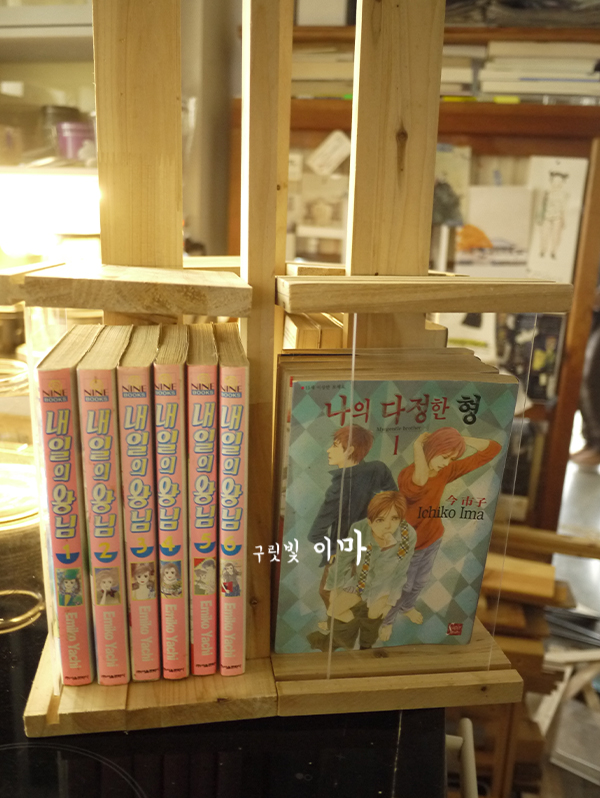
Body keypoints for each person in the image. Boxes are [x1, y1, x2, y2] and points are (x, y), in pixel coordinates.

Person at [390, 427, 502, 625]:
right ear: (431, 449)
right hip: (409, 543)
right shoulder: (407, 475)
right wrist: (418, 446)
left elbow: (493, 449)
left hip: (433, 536)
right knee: (403, 585)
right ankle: (387, 621)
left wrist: (458, 439)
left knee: (420, 582)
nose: (446, 463)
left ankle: (407, 608)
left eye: (451, 459)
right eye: (444, 457)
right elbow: (420, 481)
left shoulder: (446, 471)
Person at [308, 491, 416, 651]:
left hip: (384, 587)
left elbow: (401, 572)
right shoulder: (359, 528)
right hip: (360, 582)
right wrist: (334, 589)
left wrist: (390, 602)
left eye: (394, 518)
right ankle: (347, 637)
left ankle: (366, 645)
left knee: (373, 616)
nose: (388, 526)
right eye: (380, 519)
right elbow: (343, 560)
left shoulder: (408, 535)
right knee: (334, 610)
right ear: (370, 521)